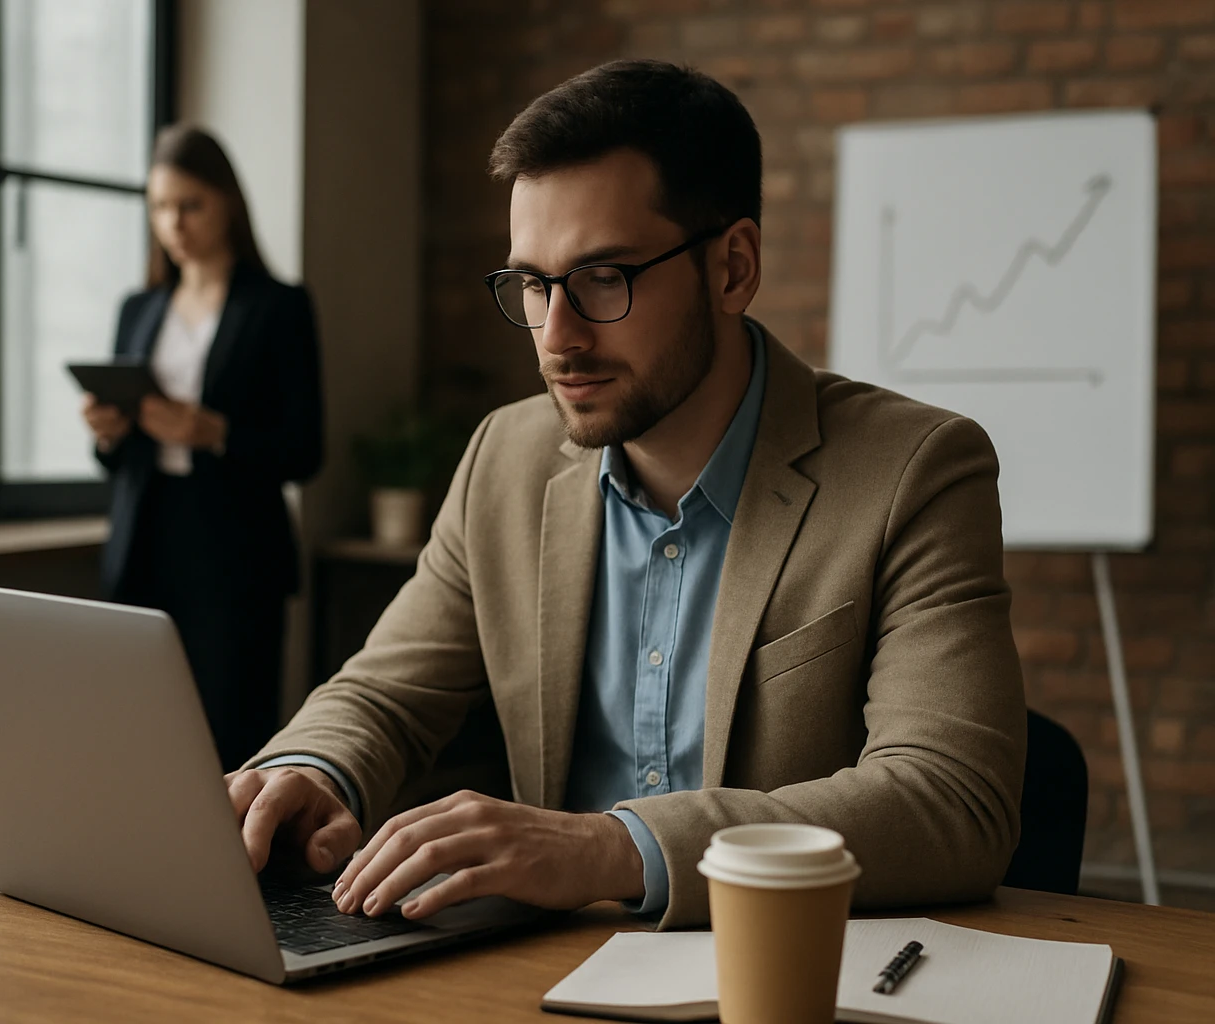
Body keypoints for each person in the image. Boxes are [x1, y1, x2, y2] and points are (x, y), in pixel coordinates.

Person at [226, 60, 1026, 929]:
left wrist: (604, 849)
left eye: (604, 278)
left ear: (733, 268)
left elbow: (951, 801)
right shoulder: (507, 456)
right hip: (543, 973)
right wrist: (311, 770)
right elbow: (385, 693)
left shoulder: (915, 470)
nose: (555, 338)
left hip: (782, 973)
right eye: (533, 284)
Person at [84, 124, 322, 773]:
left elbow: (305, 449)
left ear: (227, 204)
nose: (174, 223)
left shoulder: (278, 306)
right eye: (160, 207)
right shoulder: (138, 308)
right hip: (145, 539)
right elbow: (117, 459)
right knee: (138, 731)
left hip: (234, 552)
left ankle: (235, 871)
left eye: (190, 205)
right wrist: (108, 434)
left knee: (230, 734)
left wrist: (213, 432)